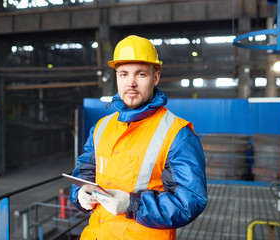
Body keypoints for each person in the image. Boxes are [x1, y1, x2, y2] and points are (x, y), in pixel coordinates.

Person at [70, 35, 207, 240]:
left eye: (140, 74)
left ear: (156, 77)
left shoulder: (178, 134)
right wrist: (80, 194)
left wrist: (133, 205)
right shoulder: (102, 127)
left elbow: (190, 201)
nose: (131, 83)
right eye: (123, 74)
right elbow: (85, 172)